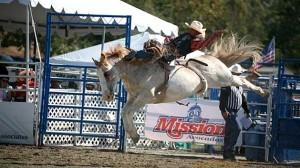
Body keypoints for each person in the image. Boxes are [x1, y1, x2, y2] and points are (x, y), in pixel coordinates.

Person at [124, 21, 225, 63]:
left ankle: (135, 55)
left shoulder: (195, 41)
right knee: (151, 44)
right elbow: (174, 39)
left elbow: (205, 44)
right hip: (167, 47)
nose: (190, 30)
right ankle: (136, 55)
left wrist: (214, 36)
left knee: (155, 50)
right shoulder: (186, 35)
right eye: (190, 28)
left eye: (192, 29)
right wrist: (169, 40)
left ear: (196, 32)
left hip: (172, 54)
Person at [219, 64, 251, 161]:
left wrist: (247, 110)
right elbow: (222, 99)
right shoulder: (227, 84)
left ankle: (226, 153)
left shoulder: (239, 85)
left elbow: (243, 99)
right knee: (237, 128)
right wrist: (223, 110)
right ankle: (230, 152)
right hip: (229, 110)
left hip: (234, 111)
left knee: (229, 131)